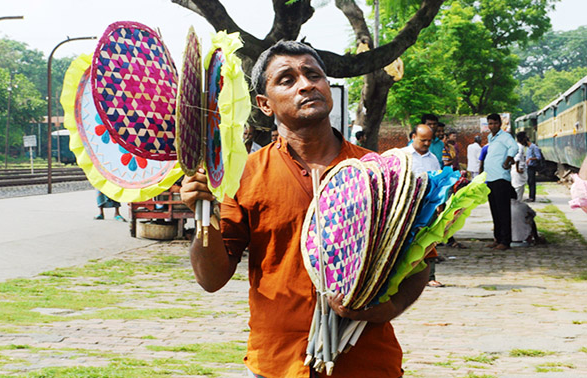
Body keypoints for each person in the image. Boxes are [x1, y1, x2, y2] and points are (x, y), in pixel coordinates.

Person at [182, 40, 429, 378]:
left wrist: (387, 308)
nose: (306, 84)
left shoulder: (380, 172)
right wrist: (204, 217)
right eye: (287, 79)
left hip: (367, 361)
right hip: (278, 363)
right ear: (264, 104)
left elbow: (418, 263)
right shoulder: (243, 174)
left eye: (314, 75)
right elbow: (212, 280)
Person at [401, 124, 444, 287]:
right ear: (413, 137)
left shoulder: (433, 159)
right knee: (405, 240)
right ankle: (404, 276)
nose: (426, 144)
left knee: (428, 241)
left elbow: (439, 183)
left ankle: (429, 276)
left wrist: (440, 204)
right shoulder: (402, 156)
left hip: (428, 206)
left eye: (429, 141)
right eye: (423, 140)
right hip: (406, 206)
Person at [484, 113, 518, 251]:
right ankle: (497, 238)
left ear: (500, 124)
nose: (493, 126)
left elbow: (514, 148)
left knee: (503, 211)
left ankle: (505, 241)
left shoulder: (505, 136)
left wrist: (507, 159)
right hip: (490, 178)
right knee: (494, 210)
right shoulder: (490, 138)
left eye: (495, 123)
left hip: (501, 178)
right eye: (490, 123)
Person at [524, 135, 543, 202]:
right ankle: (530, 196)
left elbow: (538, 157)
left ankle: (532, 197)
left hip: (532, 166)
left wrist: (530, 159)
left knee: (532, 182)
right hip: (528, 166)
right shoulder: (528, 148)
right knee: (529, 181)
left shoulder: (534, 147)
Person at [512, 132, 529, 201]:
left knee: (517, 189)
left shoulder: (516, 146)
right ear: (524, 138)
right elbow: (517, 159)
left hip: (515, 170)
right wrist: (518, 169)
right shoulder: (520, 147)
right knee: (519, 190)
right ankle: (516, 207)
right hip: (518, 171)